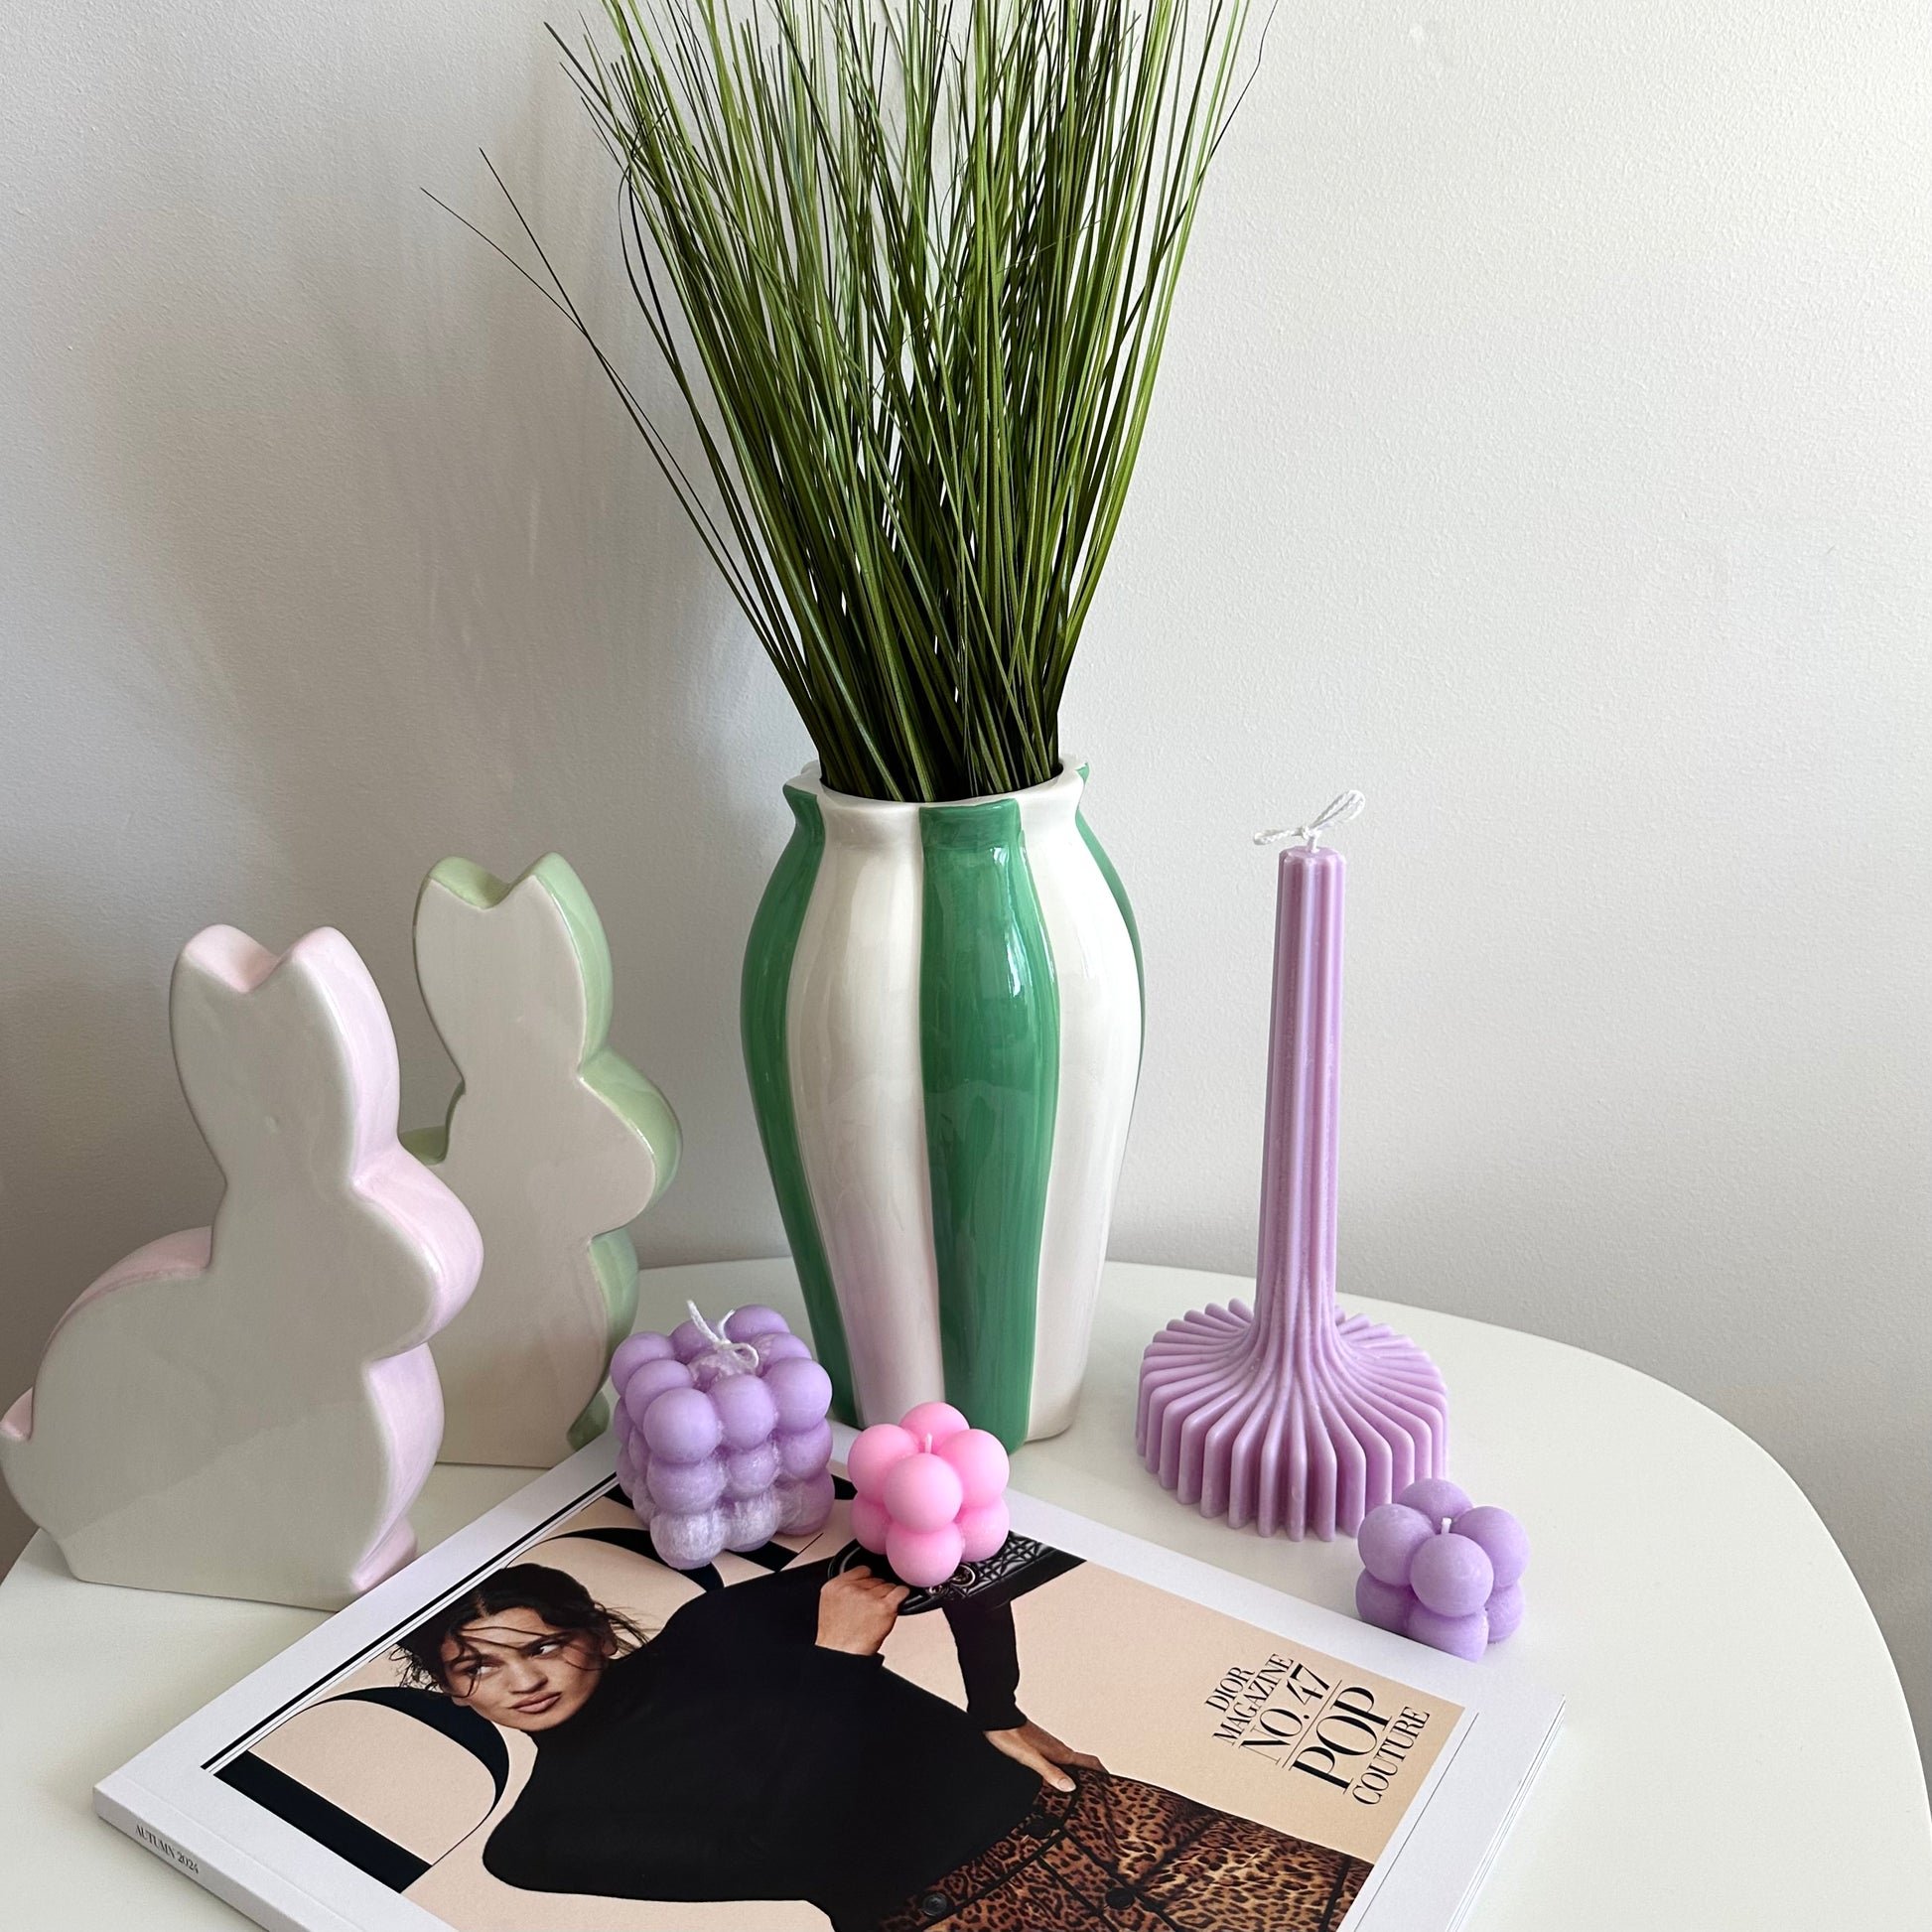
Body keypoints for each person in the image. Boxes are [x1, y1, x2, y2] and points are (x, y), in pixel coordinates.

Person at [396, 1558, 1368, 1931]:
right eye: (477, 1667)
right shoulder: (536, 1841)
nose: (521, 1679)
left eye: (542, 1645)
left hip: (1114, 1828)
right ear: (448, 1688)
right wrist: (838, 1660)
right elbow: (772, 1850)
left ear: (595, 1635)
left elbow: (970, 1550)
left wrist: (994, 1703)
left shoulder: (716, 1629)